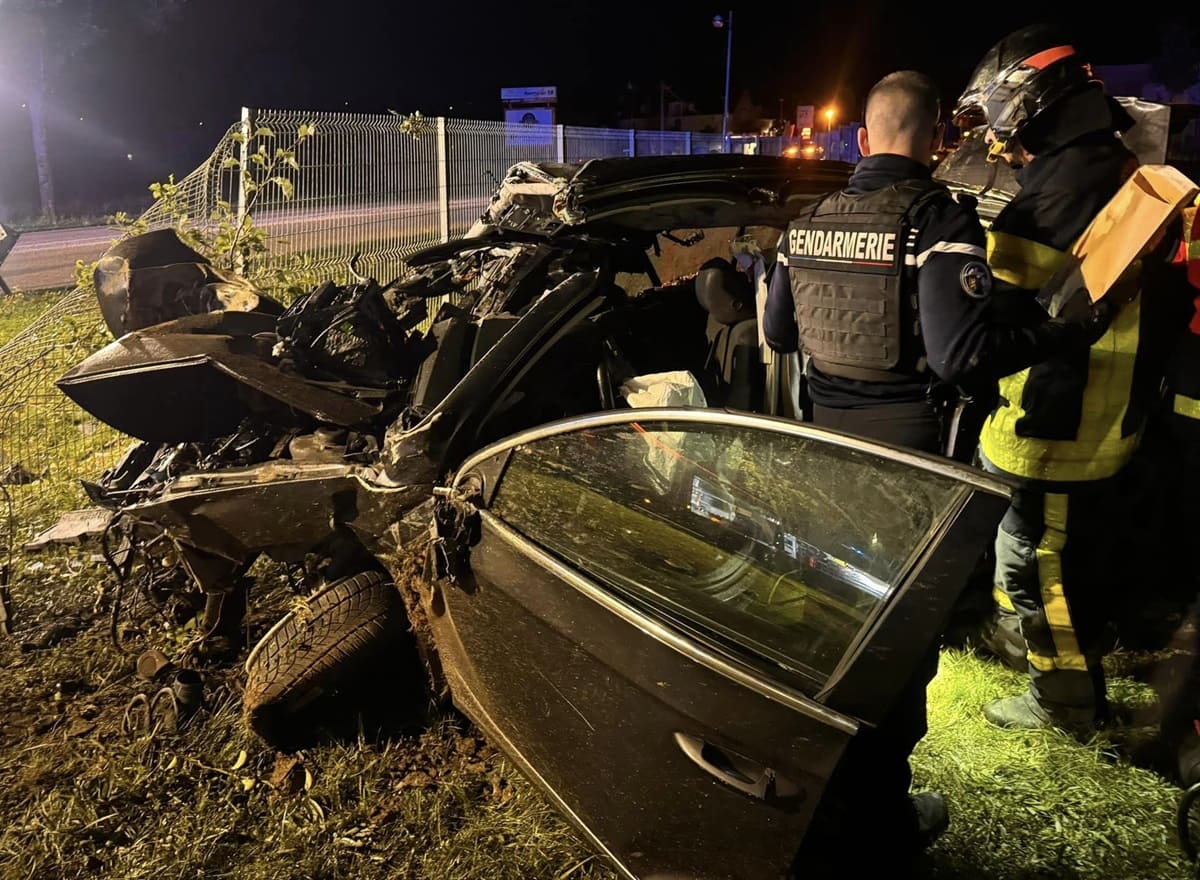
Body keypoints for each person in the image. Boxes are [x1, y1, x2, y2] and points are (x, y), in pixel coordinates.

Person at [765, 68, 1117, 871]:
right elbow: (962, 357)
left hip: (828, 461)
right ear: (935, 142)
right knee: (899, 653)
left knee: (840, 629)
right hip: (913, 473)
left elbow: (782, 335)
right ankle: (883, 825)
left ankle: (832, 802)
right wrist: (1065, 334)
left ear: (862, 139)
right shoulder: (938, 219)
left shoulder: (807, 222)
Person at [950, 23, 1191, 733]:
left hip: (1058, 416)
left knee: (1038, 562)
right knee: (1043, 550)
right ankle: (1029, 647)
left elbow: (994, 310)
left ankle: (1063, 701)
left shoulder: (1060, 186)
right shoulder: (1110, 165)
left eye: (995, 117)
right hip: (1102, 408)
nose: (994, 138)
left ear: (1028, 99)